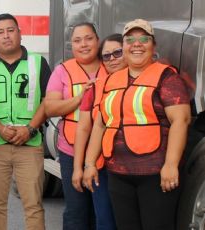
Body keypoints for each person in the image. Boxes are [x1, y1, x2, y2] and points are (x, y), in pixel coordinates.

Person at [83, 19, 191, 230]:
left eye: (144, 38)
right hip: (118, 175)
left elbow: (181, 120)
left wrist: (170, 165)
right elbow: (100, 125)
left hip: (155, 175)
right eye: (130, 39)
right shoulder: (110, 81)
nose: (137, 44)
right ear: (123, 47)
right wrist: (89, 164)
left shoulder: (167, 78)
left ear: (153, 45)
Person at [0, 13, 51, 230]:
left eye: (10, 30)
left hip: (30, 144)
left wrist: (29, 129)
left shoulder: (38, 63)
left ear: (20, 33)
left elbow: (48, 101)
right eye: (0, 32)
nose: (6, 36)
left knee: (34, 206)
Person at [44, 22, 106, 230]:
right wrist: (80, 98)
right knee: (77, 210)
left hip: (105, 151)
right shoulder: (62, 71)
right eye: (77, 40)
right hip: (71, 150)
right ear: (71, 45)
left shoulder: (111, 66)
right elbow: (50, 108)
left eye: (88, 38)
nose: (84, 44)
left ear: (98, 41)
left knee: (102, 211)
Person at [72, 33, 126, 230]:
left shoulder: (142, 85)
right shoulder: (95, 88)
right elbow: (84, 128)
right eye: (106, 55)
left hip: (134, 167)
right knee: (105, 222)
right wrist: (80, 168)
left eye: (117, 53)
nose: (112, 59)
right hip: (101, 168)